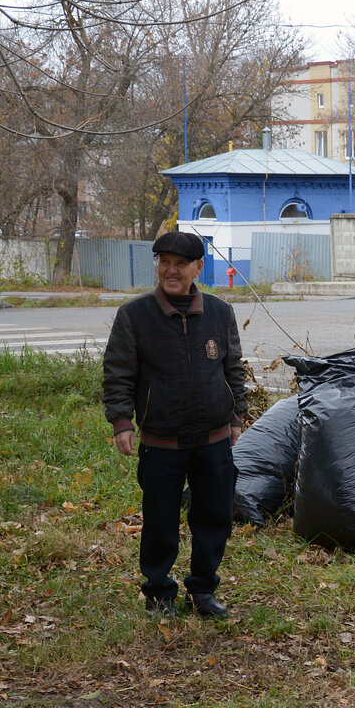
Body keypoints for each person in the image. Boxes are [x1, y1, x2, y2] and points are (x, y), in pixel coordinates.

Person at [103, 231, 248, 620]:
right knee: (160, 523)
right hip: (162, 442)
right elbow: (118, 373)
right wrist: (121, 421)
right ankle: (159, 594)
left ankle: (202, 590)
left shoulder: (220, 312)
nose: (171, 270)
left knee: (214, 519)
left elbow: (233, 368)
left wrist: (237, 417)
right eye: (164, 262)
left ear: (198, 268)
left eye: (180, 264)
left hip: (214, 439)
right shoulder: (134, 316)